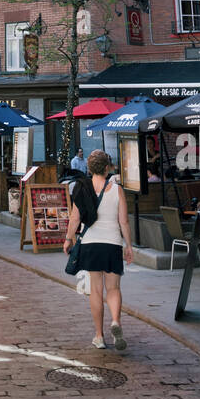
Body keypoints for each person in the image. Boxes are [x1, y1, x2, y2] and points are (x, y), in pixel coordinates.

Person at [63, 149, 133, 351]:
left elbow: (75, 218)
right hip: (112, 243)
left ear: (89, 168)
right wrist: (128, 245)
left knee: (95, 290)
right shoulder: (117, 190)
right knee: (114, 288)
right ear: (107, 168)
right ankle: (116, 321)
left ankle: (99, 336)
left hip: (91, 243)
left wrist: (68, 239)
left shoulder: (82, 187)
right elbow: (124, 221)